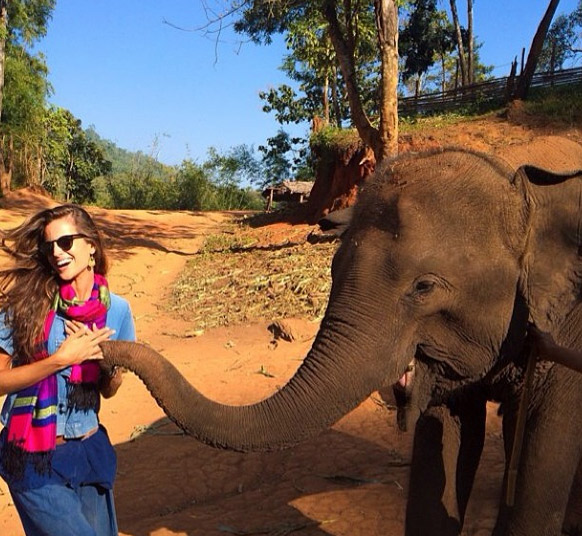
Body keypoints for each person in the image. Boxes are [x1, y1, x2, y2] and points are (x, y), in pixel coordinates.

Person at [0, 204, 136, 536]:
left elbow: (109, 389)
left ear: (92, 245)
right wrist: (61, 359)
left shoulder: (117, 310)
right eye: (49, 247)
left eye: (66, 242)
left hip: (88, 450)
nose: (57, 253)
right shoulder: (26, 303)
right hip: (32, 457)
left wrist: (106, 365)